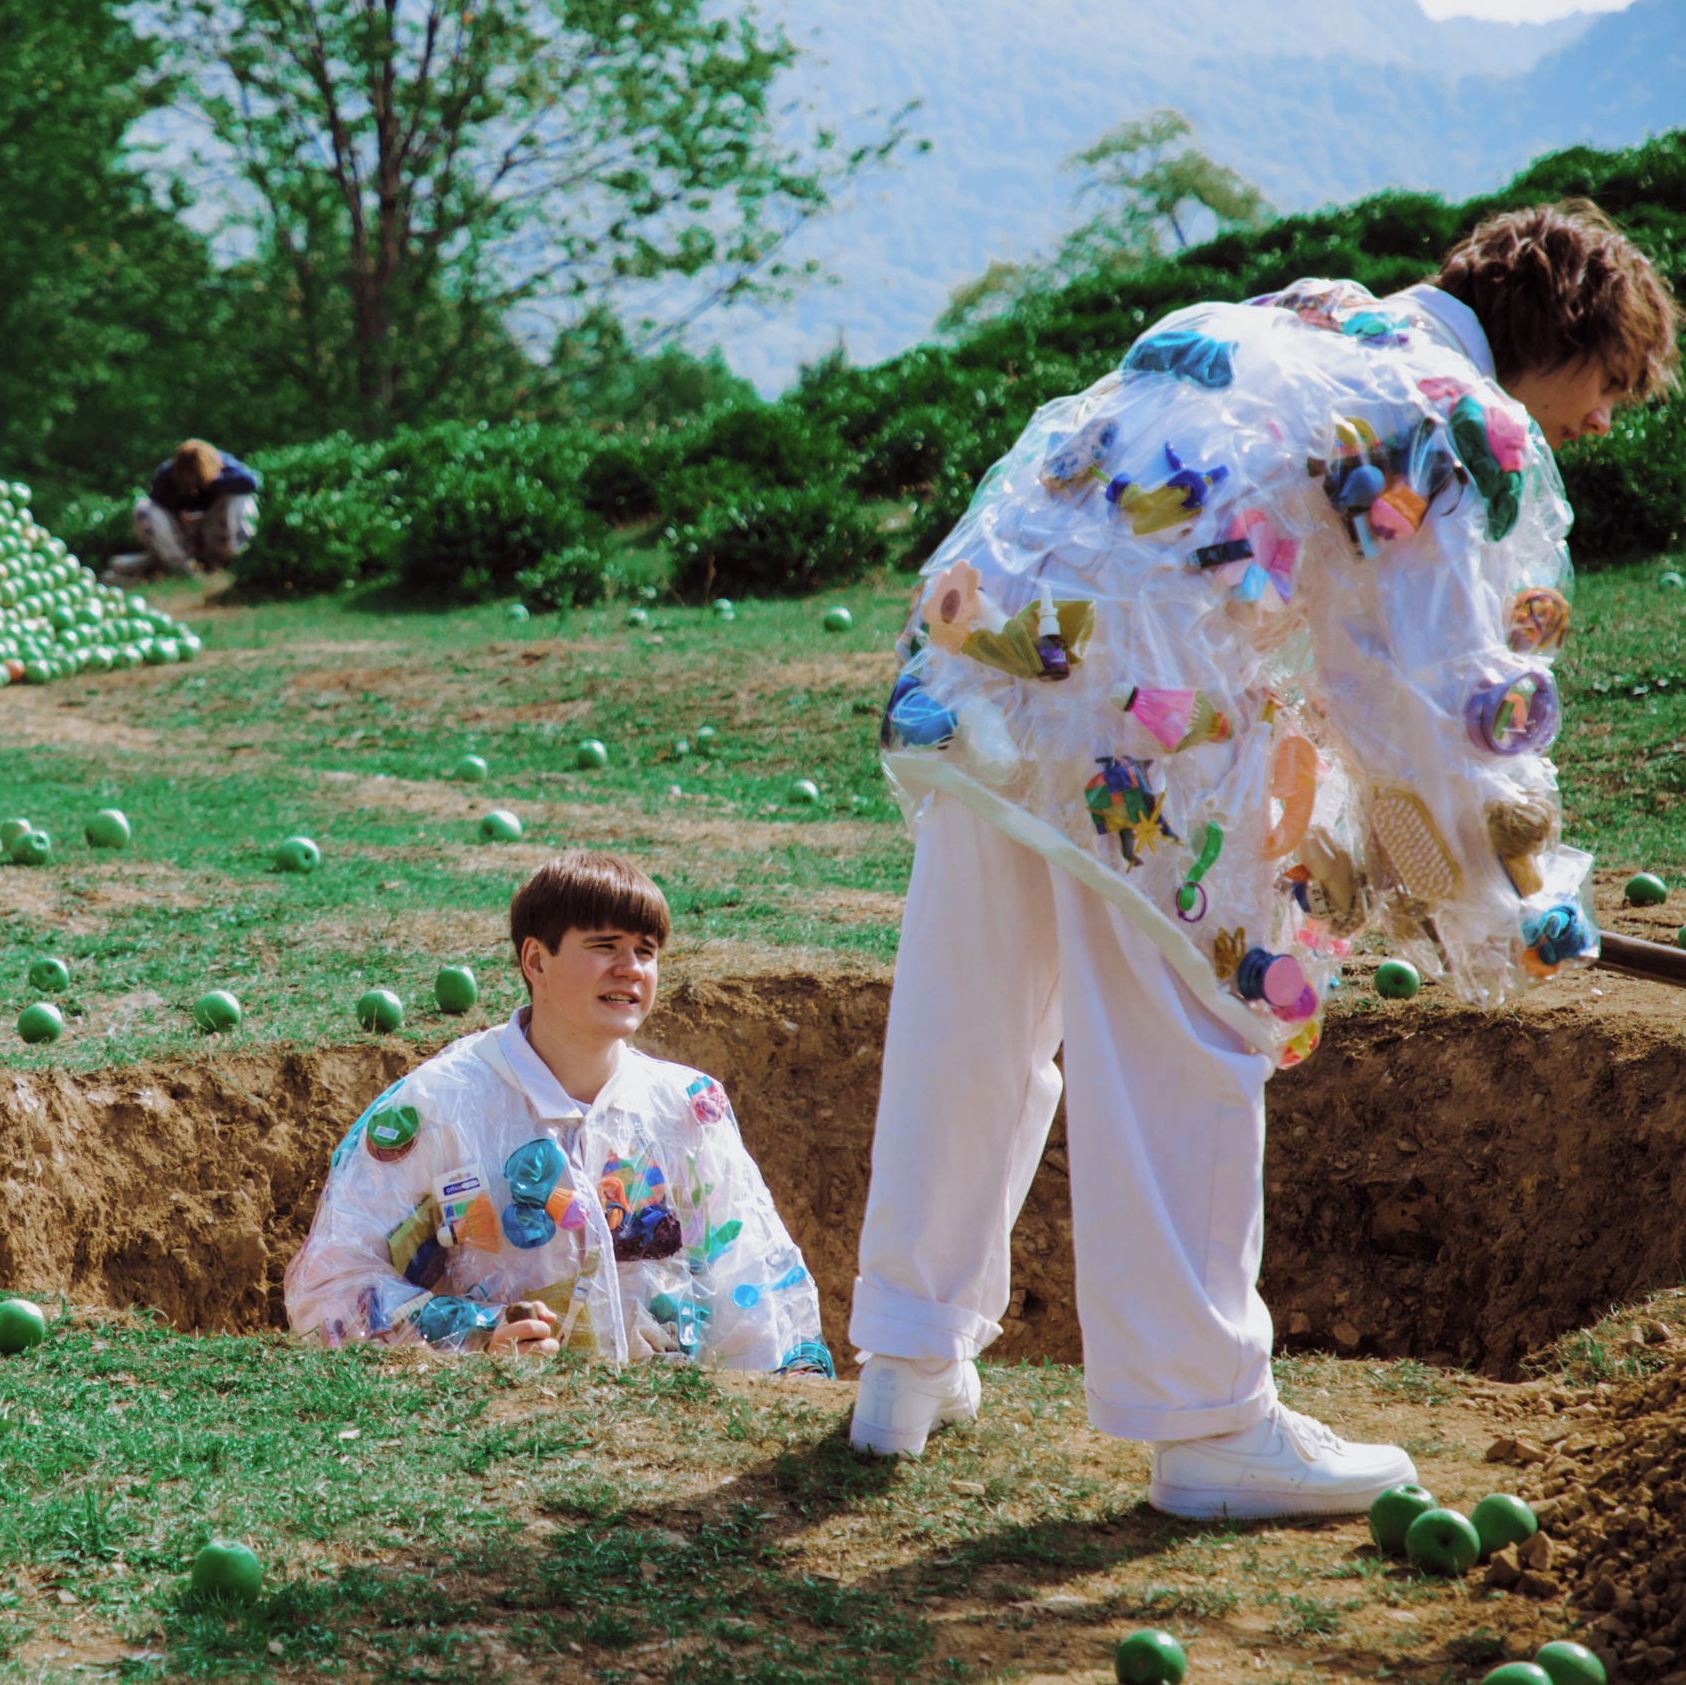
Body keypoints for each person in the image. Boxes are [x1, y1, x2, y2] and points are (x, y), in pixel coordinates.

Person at [849, 201, 1679, 1516]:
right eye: (1613, 383)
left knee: (974, 1014)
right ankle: (1208, 1422)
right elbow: (1432, 698)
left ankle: (904, 1359)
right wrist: (1516, 889)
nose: (1608, 418)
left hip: (992, 669)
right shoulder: (1452, 415)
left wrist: (1457, 879)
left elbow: (1358, 688)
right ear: (1569, 343)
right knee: (1187, 1037)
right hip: (1154, 717)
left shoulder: (1293, 321)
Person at [285, 851, 833, 1374]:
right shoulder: (434, 1105)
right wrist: (478, 1333)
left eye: (646, 951)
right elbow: (327, 1286)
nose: (630, 969)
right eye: (605, 946)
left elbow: (754, 1284)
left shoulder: (688, 1108)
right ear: (536, 960)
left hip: (666, 1448)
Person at [104, 439, 259, 583]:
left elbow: (251, 482)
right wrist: (182, 514)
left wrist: (211, 484)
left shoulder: (222, 463)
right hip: (183, 541)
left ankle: (240, 558)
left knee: (240, 497)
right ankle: (181, 568)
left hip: (217, 536)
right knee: (144, 508)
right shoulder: (167, 474)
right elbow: (158, 508)